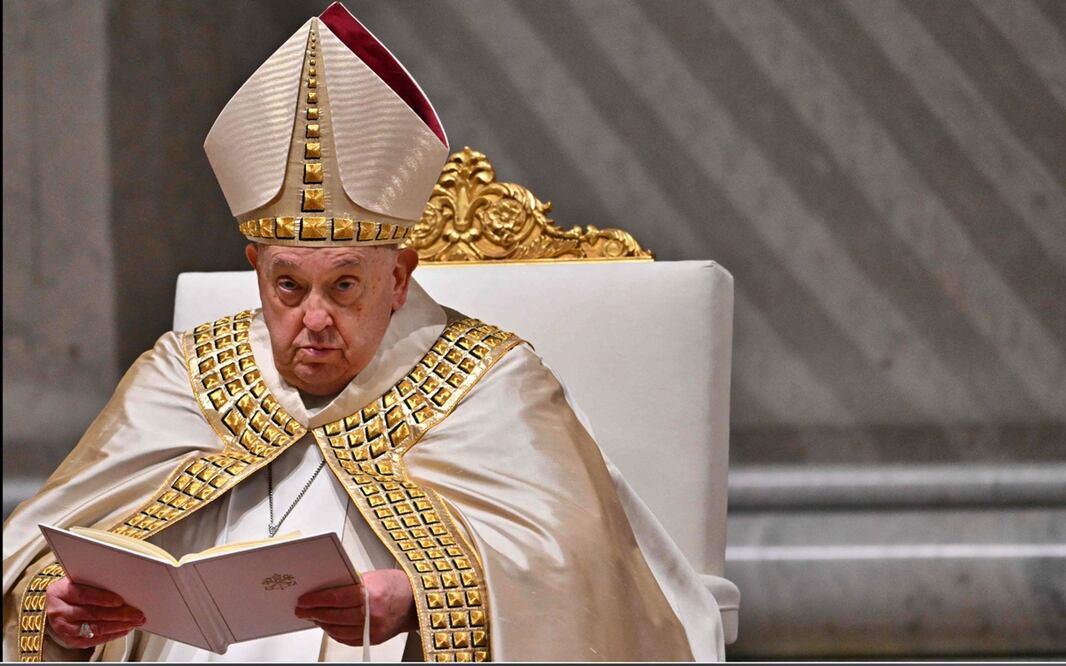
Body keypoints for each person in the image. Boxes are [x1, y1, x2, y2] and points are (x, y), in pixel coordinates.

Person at [2, 3, 726, 661]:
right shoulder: (184, 372)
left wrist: (420, 603)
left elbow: (577, 575)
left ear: (399, 277)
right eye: (288, 286)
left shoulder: (491, 382)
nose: (313, 318)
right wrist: (63, 611)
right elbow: (34, 559)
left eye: (344, 286)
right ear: (256, 268)